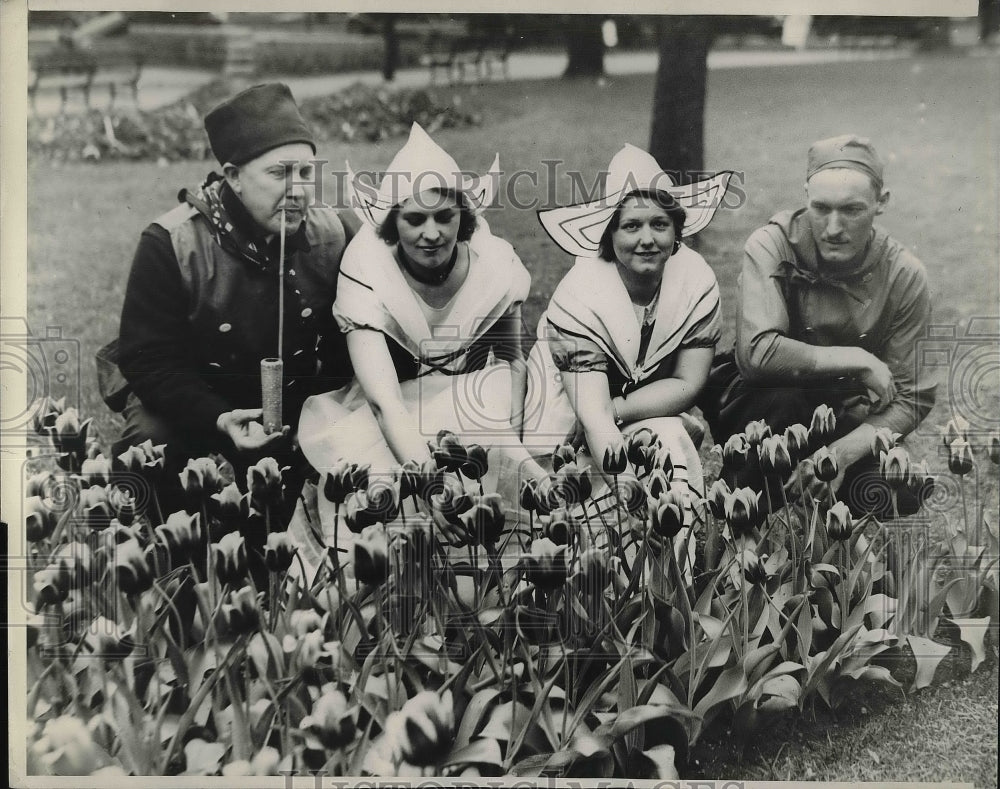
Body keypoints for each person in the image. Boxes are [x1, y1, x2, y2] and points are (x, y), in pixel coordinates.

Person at [293, 123, 547, 562]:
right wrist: (426, 481)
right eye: (414, 219)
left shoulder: (496, 261)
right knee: (385, 490)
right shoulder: (368, 264)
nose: (431, 233)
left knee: (505, 478)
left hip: (482, 399)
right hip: (396, 409)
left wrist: (511, 452)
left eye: (444, 217)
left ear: (464, 219)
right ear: (393, 223)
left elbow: (514, 361)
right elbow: (382, 402)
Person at [108, 83, 357, 500]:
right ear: (233, 176)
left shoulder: (335, 234)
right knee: (147, 444)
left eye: (306, 173)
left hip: (295, 403)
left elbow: (345, 346)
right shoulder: (171, 243)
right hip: (196, 401)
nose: (297, 191)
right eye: (279, 173)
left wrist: (319, 413)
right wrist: (218, 418)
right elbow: (148, 358)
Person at [700, 134, 936, 513]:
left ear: (882, 202)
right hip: (760, 399)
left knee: (899, 486)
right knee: (781, 402)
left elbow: (912, 397)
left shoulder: (904, 274)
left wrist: (839, 455)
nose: (833, 228)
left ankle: (830, 544)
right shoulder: (772, 244)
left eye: (852, 210)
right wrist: (859, 359)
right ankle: (739, 526)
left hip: (842, 409)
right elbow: (759, 355)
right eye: (820, 208)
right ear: (804, 194)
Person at [526, 144, 733, 508]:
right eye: (631, 226)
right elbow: (592, 417)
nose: (647, 239)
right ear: (609, 235)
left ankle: (673, 556)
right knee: (583, 513)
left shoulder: (695, 279)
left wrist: (617, 408)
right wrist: (632, 499)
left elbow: (689, 381)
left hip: (639, 409)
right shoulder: (580, 296)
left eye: (659, 224)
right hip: (570, 419)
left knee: (669, 436)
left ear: (677, 230)